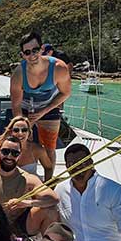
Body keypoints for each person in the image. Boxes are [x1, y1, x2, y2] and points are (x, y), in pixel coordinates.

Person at [10, 31, 71, 181]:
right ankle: (21, 178)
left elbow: (65, 93)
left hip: (48, 106)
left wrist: (43, 111)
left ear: (42, 49)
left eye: (35, 50)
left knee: (50, 146)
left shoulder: (59, 68)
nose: (32, 55)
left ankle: (49, 181)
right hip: (25, 108)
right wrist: (23, 124)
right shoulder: (19, 74)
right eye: (27, 52)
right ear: (22, 55)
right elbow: (16, 104)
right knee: (22, 143)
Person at [0, 116, 53, 181]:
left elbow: (49, 168)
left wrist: (46, 186)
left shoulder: (37, 149)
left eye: (24, 130)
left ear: (29, 133)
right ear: (11, 132)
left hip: (31, 188)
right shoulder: (1, 149)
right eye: (16, 130)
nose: (20, 133)